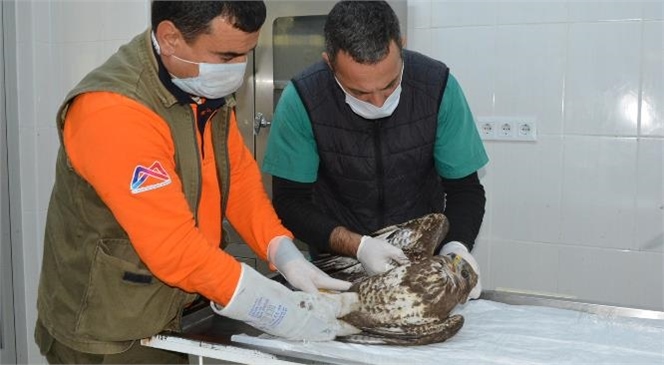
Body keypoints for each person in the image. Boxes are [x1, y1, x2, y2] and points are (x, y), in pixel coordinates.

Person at [34, 2, 360, 364]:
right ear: (170, 38)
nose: (238, 69)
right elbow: (173, 249)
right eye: (226, 56)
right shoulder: (114, 112)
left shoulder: (198, 85)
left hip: (171, 310)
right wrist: (276, 309)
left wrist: (280, 251)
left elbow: (237, 181)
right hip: (110, 330)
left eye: (247, 54)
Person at [263, 1, 488, 297]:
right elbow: (291, 201)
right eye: (359, 92)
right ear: (329, 63)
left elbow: (465, 189)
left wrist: (456, 248)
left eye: (390, 84)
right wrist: (359, 246)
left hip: (421, 265)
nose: (378, 102)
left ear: (402, 46)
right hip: (336, 267)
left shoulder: (437, 87)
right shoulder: (303, 99)